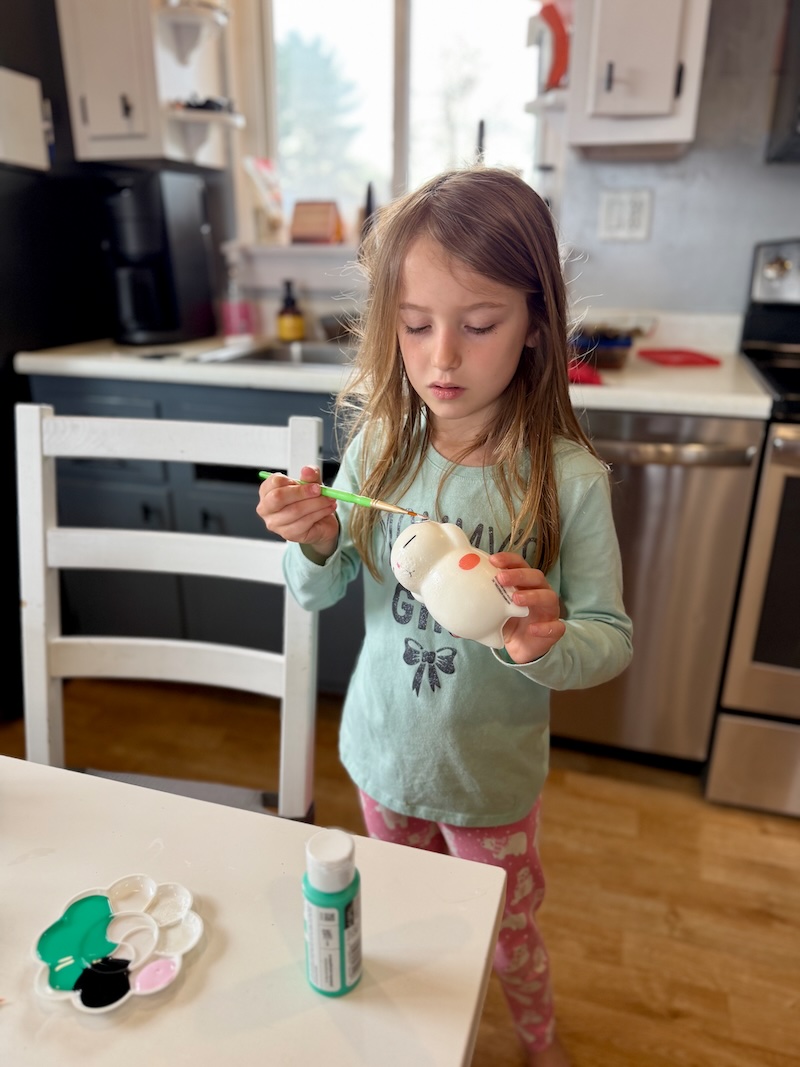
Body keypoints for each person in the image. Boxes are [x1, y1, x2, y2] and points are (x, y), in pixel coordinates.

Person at [257, 164, 633, 1067]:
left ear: (536, 323)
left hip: (489, 780)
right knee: (401, 923)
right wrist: (311, 540)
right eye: (417, 326)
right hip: (384, 758)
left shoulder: (568, 480)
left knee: (505, 934)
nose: (441, 359)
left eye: (479, 325)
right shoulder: (381, 443)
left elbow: (607, 641)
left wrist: (545, 641)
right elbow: (319, 589)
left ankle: (539, 1044)